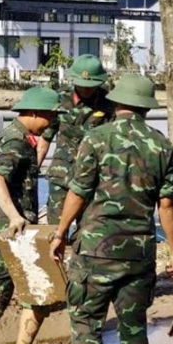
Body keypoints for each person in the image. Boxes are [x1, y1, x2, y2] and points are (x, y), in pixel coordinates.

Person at [49, 74, 173, 344]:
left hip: (95, 250)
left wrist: (60, 233)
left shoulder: (96, 138)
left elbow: (78, 192)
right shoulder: (162, 147)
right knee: (133, 324)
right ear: (145, 108)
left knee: (86, 319)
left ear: (118, 103)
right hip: (138, 253)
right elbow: (166, 206)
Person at [0, 86, 63, 344]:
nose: (52, 121)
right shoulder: (16, 141)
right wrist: (14, 217)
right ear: (35, 113)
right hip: (13, 232)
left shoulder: (12, 136)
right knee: (39, 292)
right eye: (49, 115)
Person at [36, 54, 116, 224]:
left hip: (94, 176)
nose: (86, 89)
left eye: (91, 85)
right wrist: (33, 169)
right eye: (82, 84)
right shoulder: (60, 100)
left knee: (88, 229)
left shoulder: (108, 103)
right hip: (62, 175)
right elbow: (45, 140)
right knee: (55, 229)